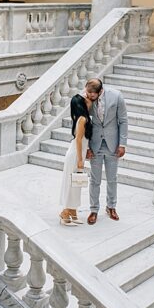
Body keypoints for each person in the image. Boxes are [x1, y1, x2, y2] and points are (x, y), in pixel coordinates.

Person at [83, 77, 128, 224]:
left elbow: (123, 120)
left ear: (100, 91)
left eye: (92, 95)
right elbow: (82, 123)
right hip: (95, 144)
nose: (89, 97)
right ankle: (94, 209)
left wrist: (122, 144)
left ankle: (111, 207)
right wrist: (86, 147)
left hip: (112, 144)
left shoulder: (116, 96)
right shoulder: (86, 98)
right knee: (95, 180)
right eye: (88, 94)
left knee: (112, 178)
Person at [58, 94, 91, 226]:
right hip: (75, 155)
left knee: (76, 184)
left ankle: (73, 211)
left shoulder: (81, 118)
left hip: (76, 154)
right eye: (85, 100)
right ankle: (64, 213)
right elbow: (78, 140)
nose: (88, 100)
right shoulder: (82, 119)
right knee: (72, 184)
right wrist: (80, 159)